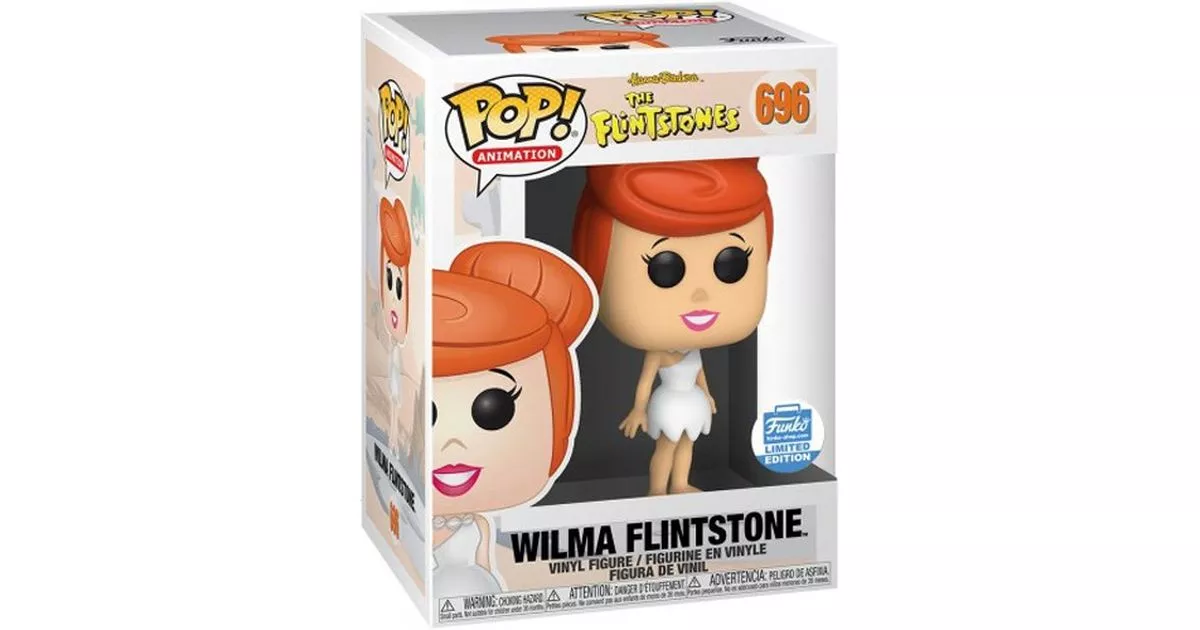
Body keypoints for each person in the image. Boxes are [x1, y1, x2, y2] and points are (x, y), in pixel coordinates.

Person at [572, 158, 773, 495]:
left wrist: (708, 395)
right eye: (665, 269)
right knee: (666, 447)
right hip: (668, 403)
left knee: (687, 445)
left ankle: (680, 484)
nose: (700, 295)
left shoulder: (691, 349)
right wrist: (638, 410)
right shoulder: (659, 352)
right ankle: (657, 490)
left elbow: (700, 373)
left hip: (691, 401)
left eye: (731, 264)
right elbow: (645, 383)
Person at [431, 241, 595, 597]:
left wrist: (493, 582)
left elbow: (484, 559)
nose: (454, 442)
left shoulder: (478, 525)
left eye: (495, 409)